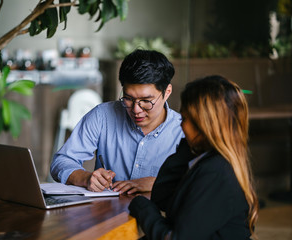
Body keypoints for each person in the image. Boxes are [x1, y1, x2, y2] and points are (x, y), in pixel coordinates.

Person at [129, 75, 259, 239]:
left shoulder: (216, 171)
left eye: (185, 119)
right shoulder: (204, 160)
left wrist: (141, 206)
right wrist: (190, 146)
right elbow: (162, 198)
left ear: (204, 124)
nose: (181, 125)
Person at [50, 49, 184, 194]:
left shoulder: (183, 130)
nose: (136, 109)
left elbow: (203, 182)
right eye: (128, 98)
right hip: (107, 213)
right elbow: (61, 161)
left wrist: (160, 183)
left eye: (146, 101)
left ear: (167, 93)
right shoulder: (102, 116)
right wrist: (86, 178)